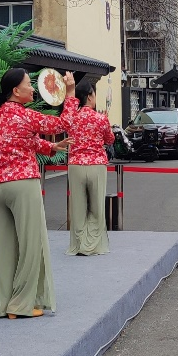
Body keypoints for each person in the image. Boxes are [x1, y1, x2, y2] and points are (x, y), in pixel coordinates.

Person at [0, 68, 76, 319]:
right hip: (21, 183)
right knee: (30, 245)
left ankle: (6, 304)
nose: (33, 88)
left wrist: (50, 146)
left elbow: (22, 141)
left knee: (4, 249)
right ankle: (21, 304)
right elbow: (65, 123)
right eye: (28, 84)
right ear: (16, 91)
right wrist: (70, 92)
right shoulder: (26, 115)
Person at [64, 77, 113, 256]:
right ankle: (92, 245)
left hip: (76, 165)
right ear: (90, 96)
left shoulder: (71, 118)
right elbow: (110, 139)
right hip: (96, 165)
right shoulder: (100, 118)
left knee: (77, 207)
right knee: (97, 207)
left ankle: (78, 244)